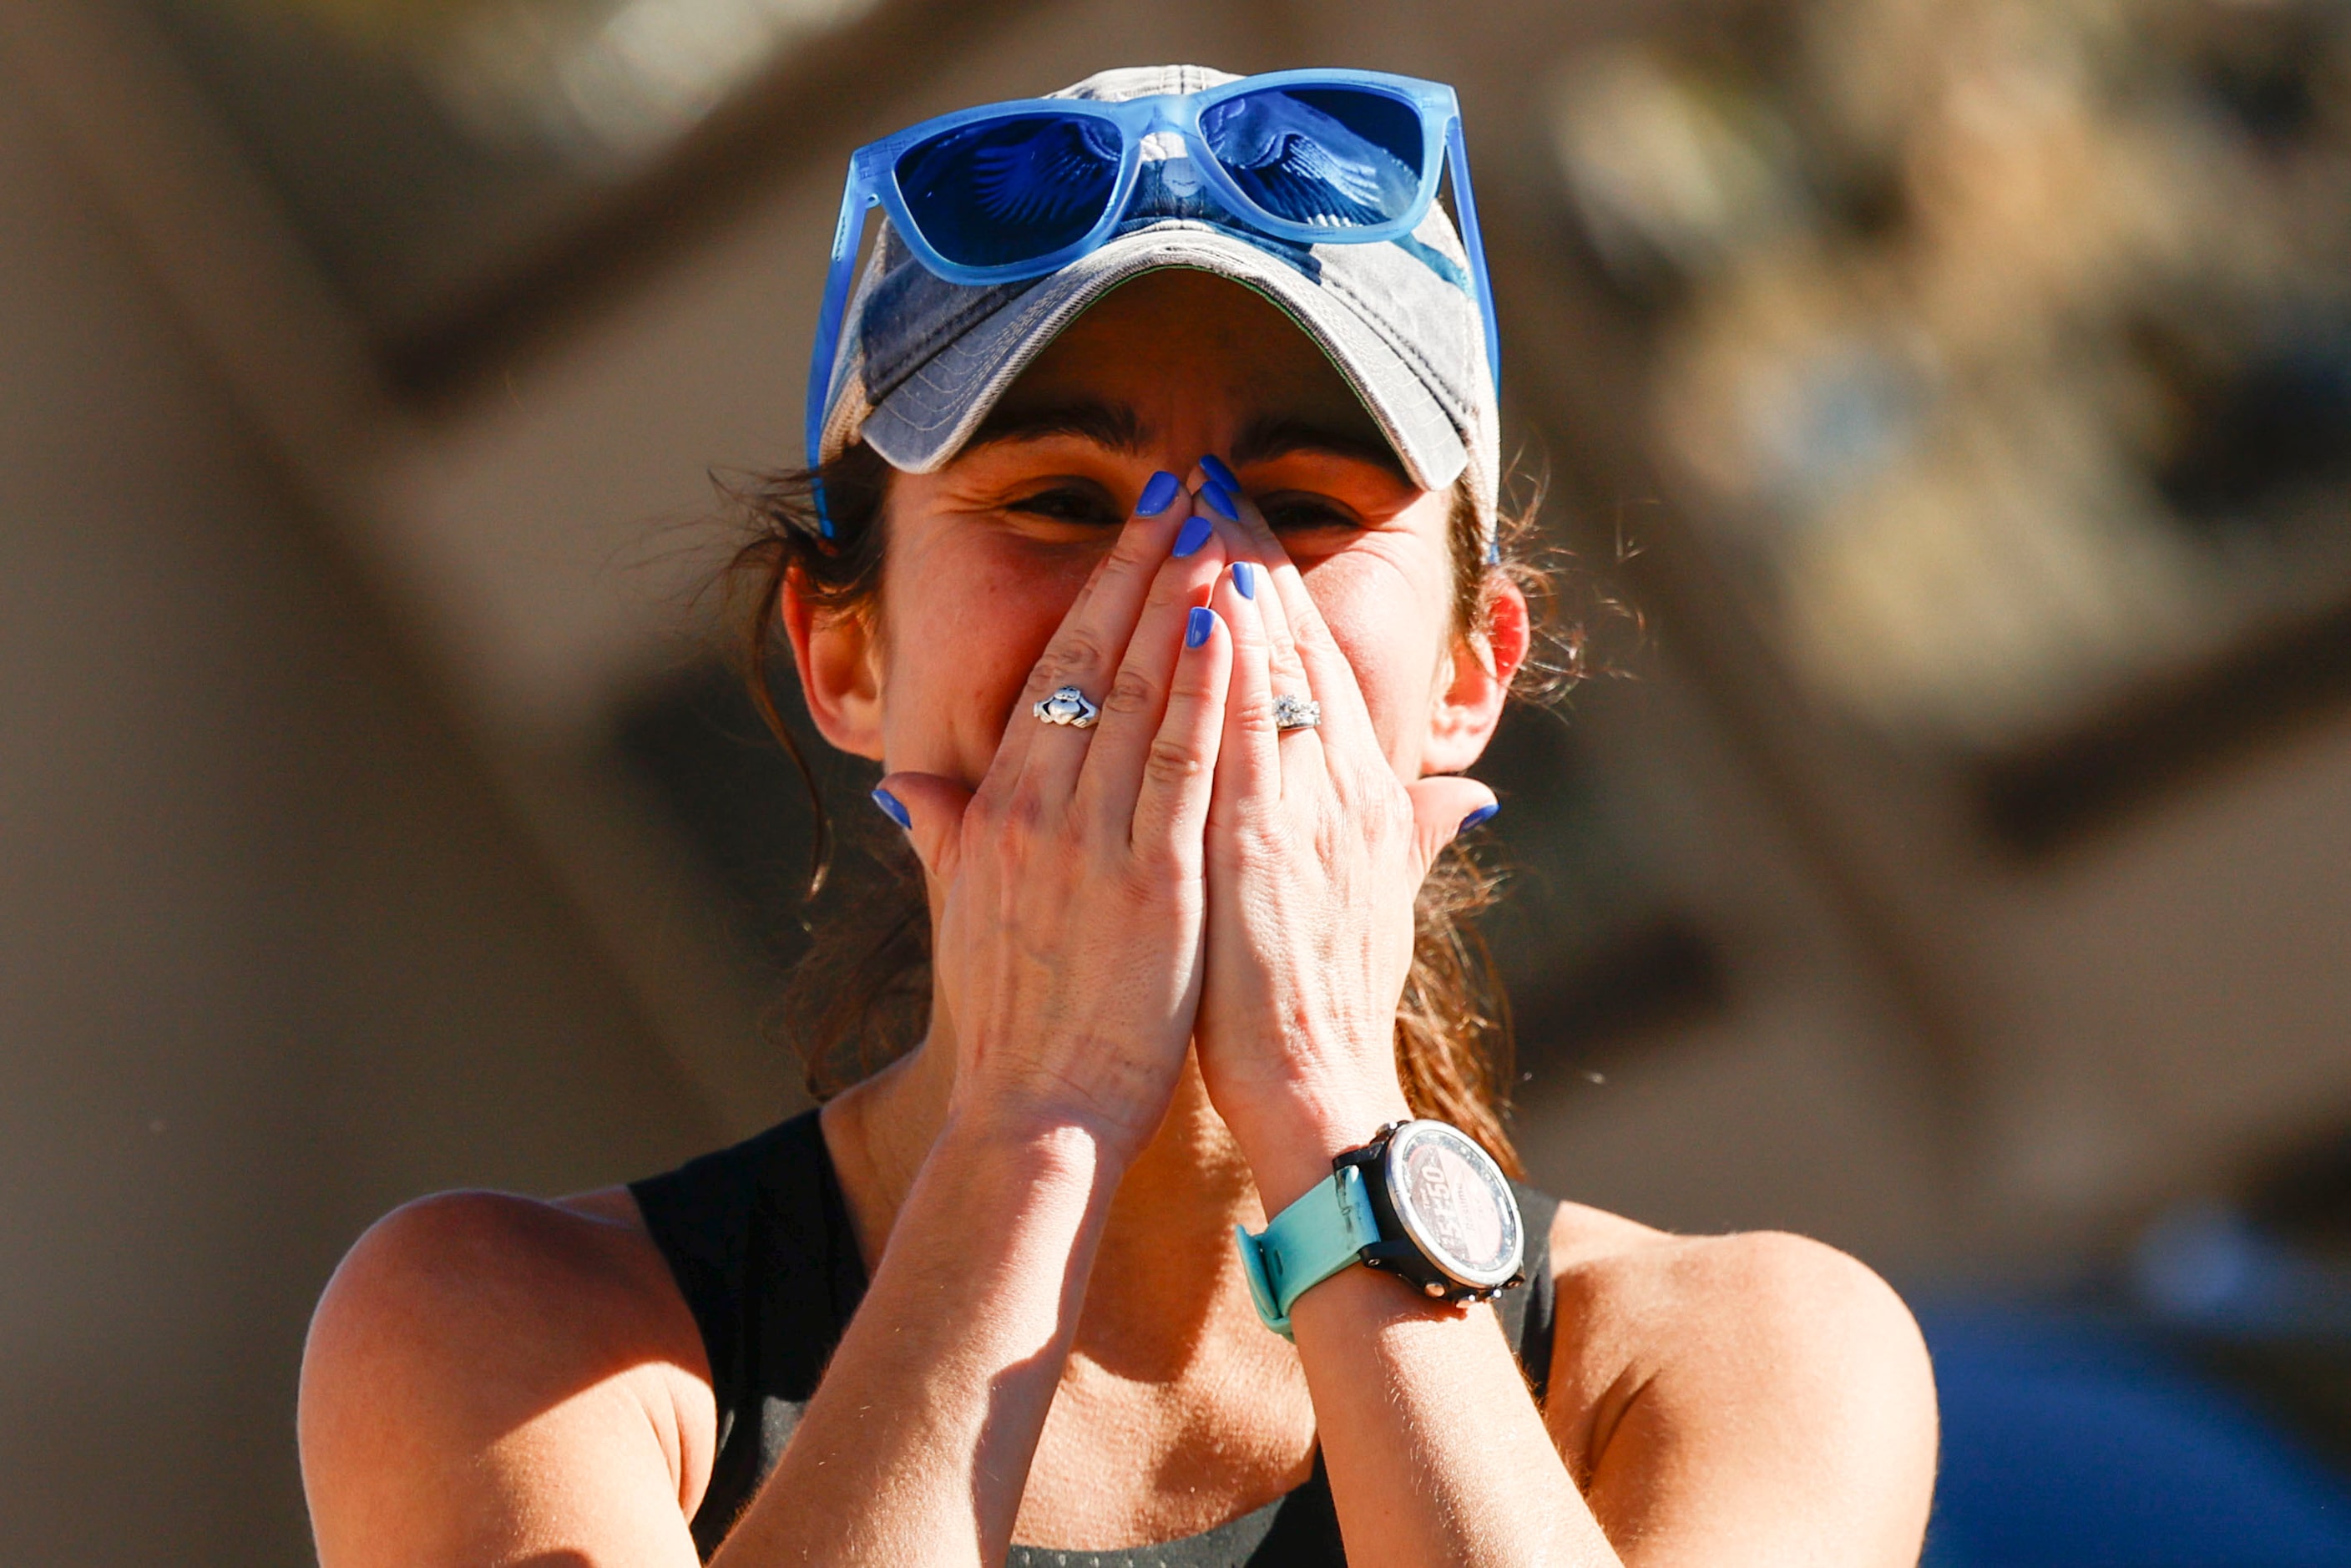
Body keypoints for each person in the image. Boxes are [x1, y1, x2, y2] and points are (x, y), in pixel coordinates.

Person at [297, 64, 1939, 1566]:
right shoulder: (519, 1336)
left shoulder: (1736, 1355)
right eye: (1058, 504)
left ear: (1467, 671)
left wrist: (1332, 1130)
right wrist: (1034, 1127)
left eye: (1303, 512)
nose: (1192, 596)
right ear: (843, 652)